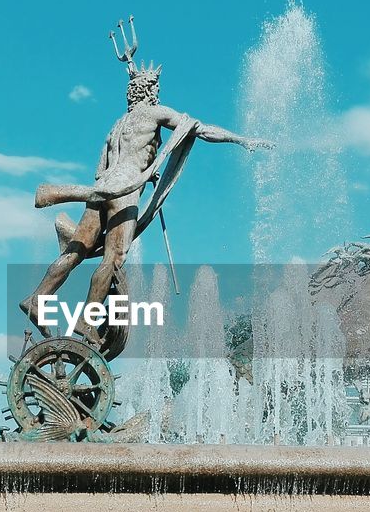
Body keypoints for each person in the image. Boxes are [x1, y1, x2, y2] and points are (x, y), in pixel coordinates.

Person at [19, 18, 271, 347]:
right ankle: (86, 318)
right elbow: (200, 129)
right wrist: (241, 140)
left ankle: (38, 297)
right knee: (113, 259)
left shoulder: (117, 125)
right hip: (125, 193)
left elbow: (100, 172)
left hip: (102, 189)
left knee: (77, 251)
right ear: (152, 92)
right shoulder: (155, 114)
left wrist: (146, 168)